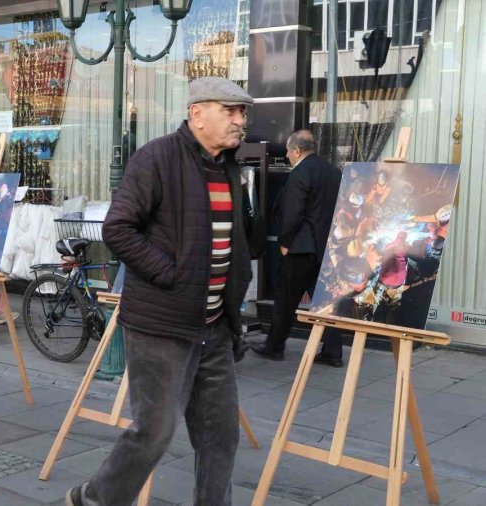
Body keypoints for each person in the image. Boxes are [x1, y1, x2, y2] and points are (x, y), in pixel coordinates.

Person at [65, 77, 254, 506]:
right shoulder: (156, 159)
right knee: (154, 432)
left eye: (243, 113)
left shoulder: (229, 167)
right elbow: (118, 229)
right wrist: (171, 274)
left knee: (221, 437)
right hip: (162, 326)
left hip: (215, 328)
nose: (240, 121)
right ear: (198, 113)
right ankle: (95, 499)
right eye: (231, 111)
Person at [250, 130, 344, 366]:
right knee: (324, 302)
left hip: (300, 248)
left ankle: (275, 345)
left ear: (297, 151)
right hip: (325, 247)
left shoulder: (301, 173)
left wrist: (284, 243)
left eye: (289, 153)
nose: (288, 158)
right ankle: (333, 351)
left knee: (285, 298)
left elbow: (293, 214)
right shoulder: (333, 172)